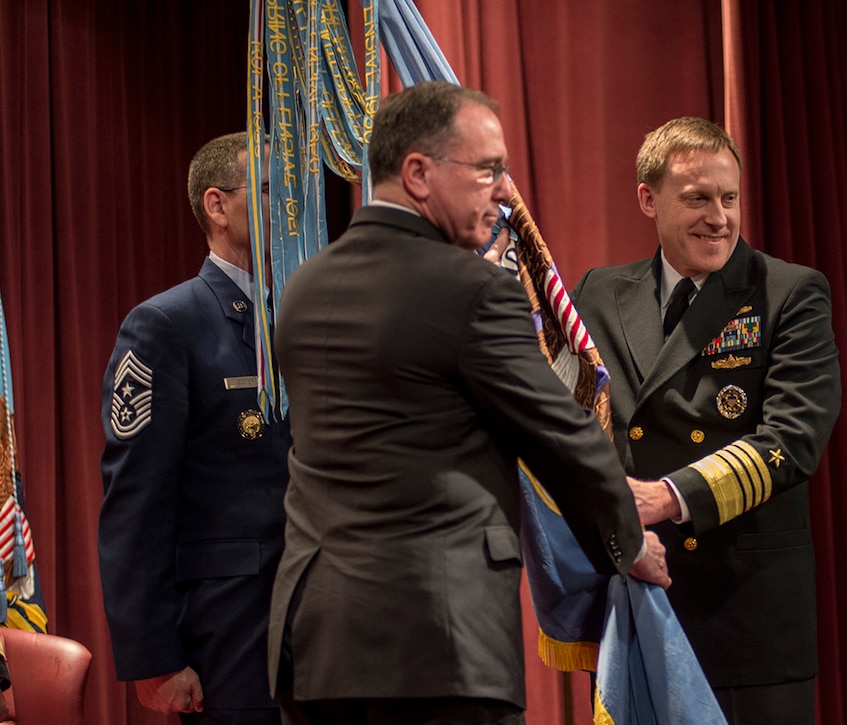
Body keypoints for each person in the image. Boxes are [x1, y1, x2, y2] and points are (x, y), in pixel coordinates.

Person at [267, 80, 670, 725]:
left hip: (316, 647)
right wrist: (628, 545)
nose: (505, 191)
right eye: (488, 170)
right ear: (419, 174)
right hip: (437, 645)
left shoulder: (304, 288)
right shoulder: (473, 289)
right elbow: (562, 436)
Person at [572, 116, 842, 725]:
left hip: (747, 616)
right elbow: (578, 429)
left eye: (729, 197)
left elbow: (793, 440)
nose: (718, 217)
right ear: (648, 199)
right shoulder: (598, 293)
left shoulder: (789, 292)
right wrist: (616, 521)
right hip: (642, 594)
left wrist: (665, 498)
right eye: (696, 198)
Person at [98, 132, 291, 724]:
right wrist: (154, 658)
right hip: (228, 628)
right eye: (267, 191)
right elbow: (135, 504)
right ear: (217, 205)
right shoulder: (165, 325)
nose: (286, 207)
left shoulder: (296, 316)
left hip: (317, 620)